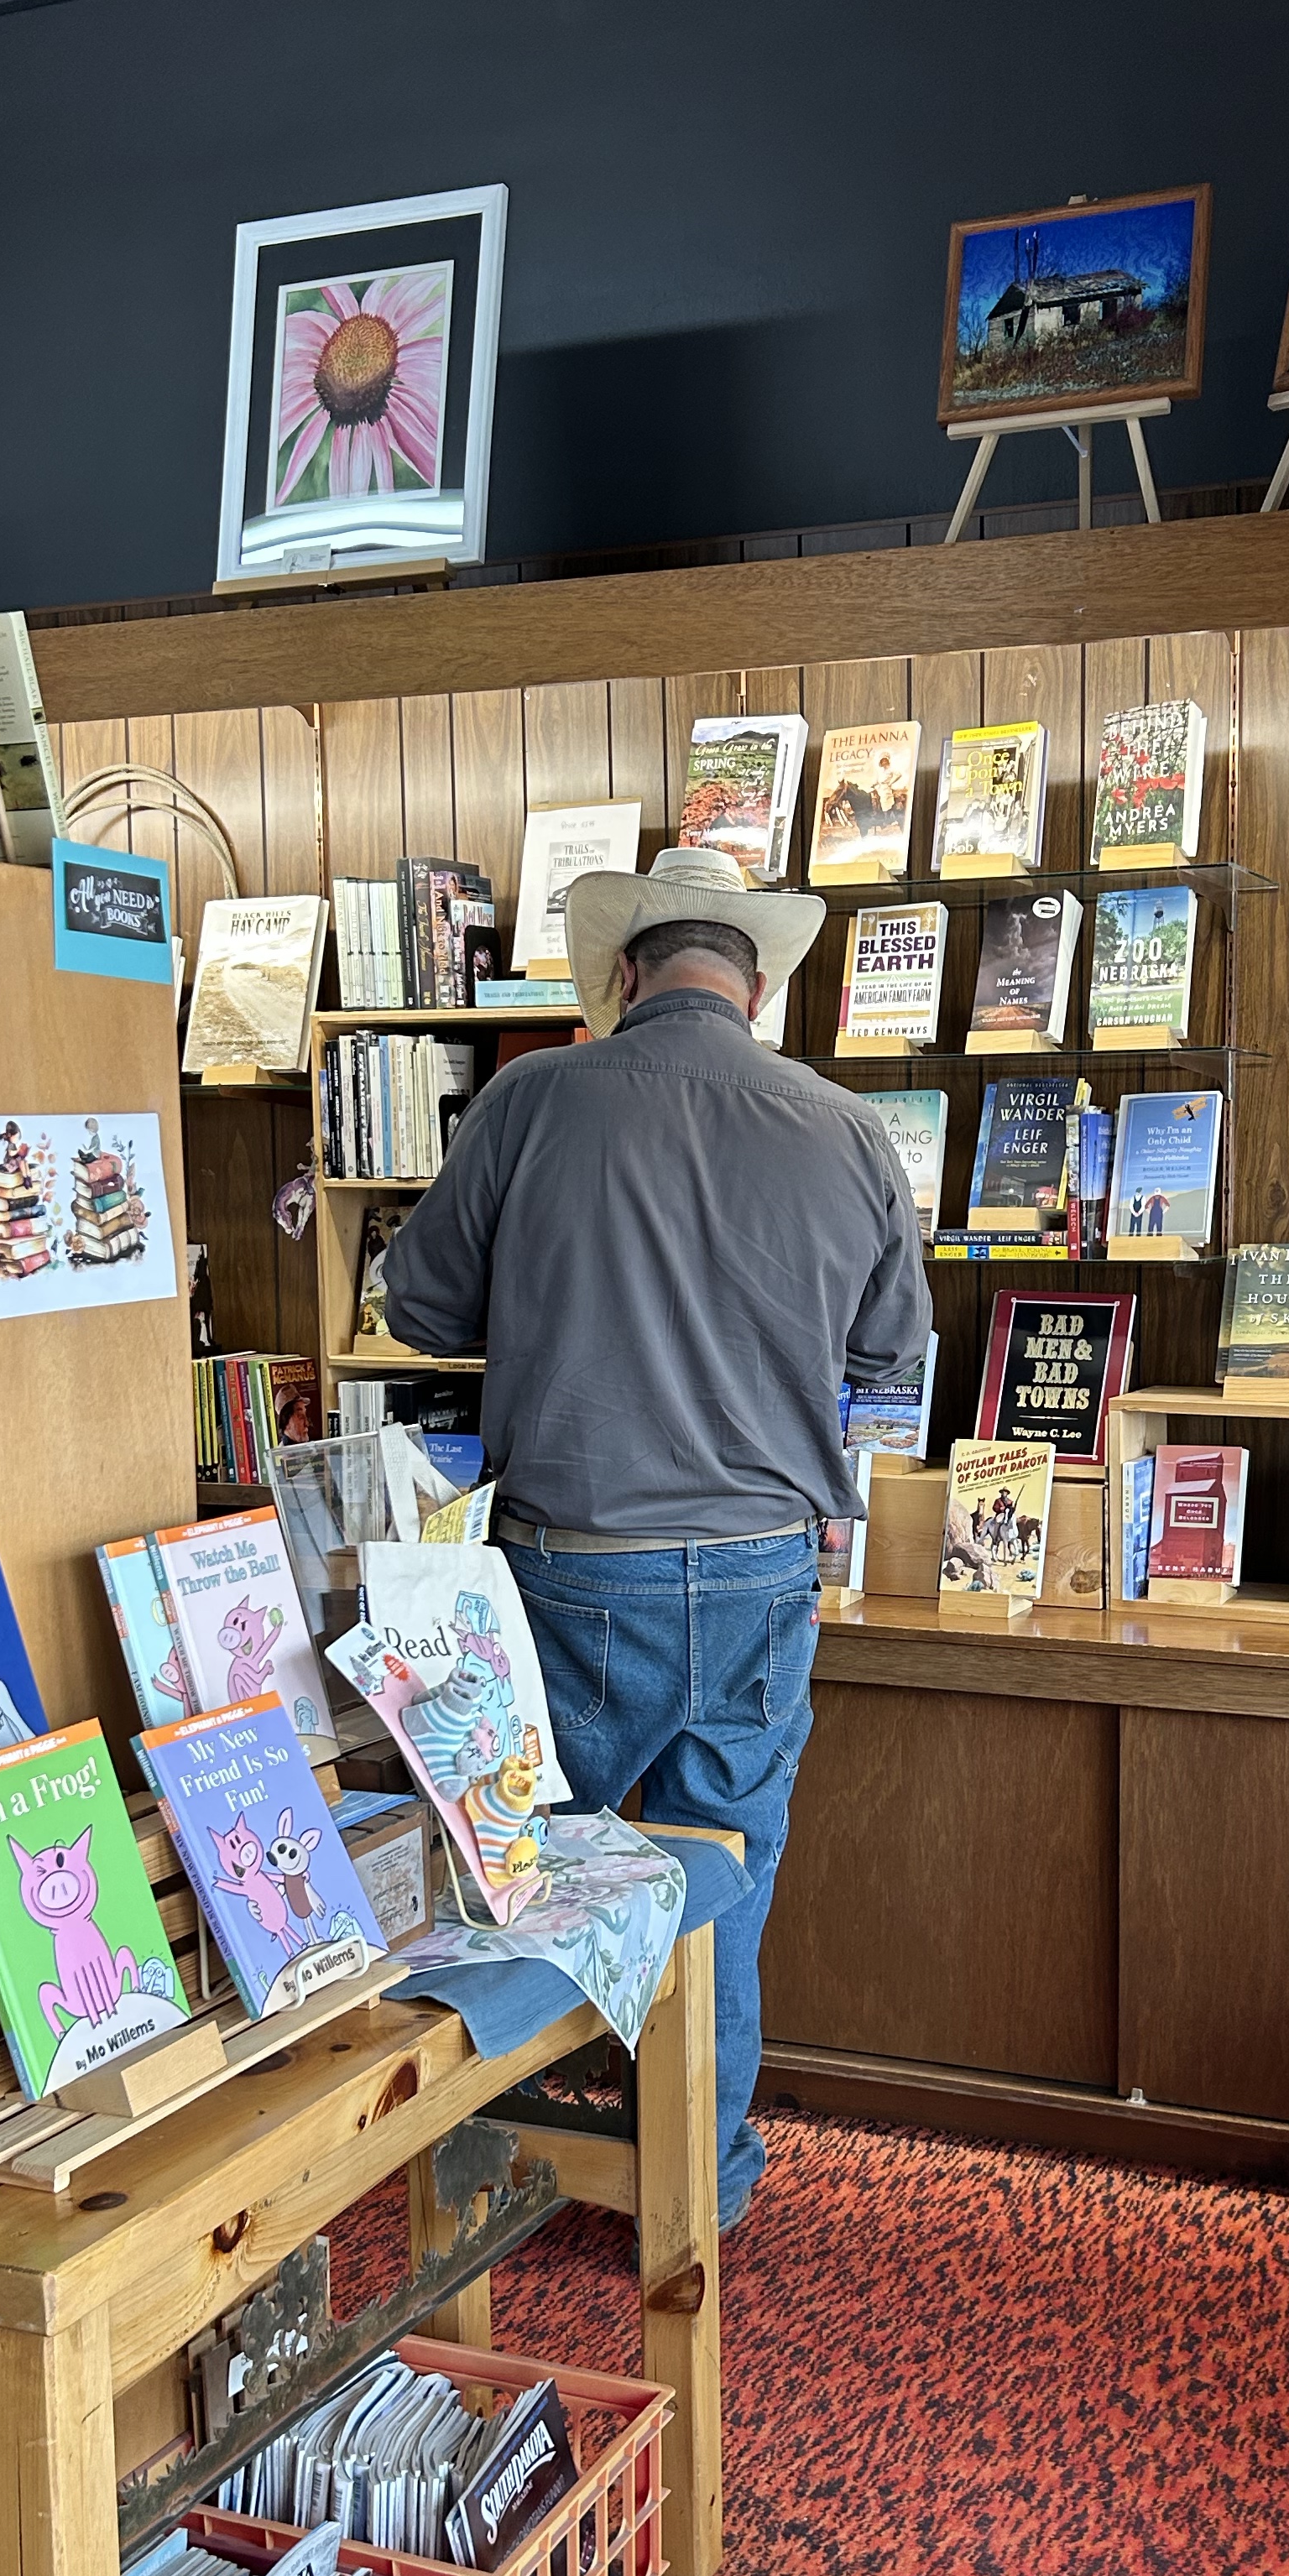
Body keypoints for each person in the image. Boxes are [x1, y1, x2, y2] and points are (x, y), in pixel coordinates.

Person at [382, 842, 932, 2230]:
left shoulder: (530, 1100)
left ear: (625, 974)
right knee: (721, 1874)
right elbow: (890, 1352)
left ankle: (512, 2167)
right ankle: (702, 2178)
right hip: (762, 1564)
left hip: (571, 1562)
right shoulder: (845, 1127)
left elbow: (420, 1310)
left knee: (530, 1874)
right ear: (756, 987)